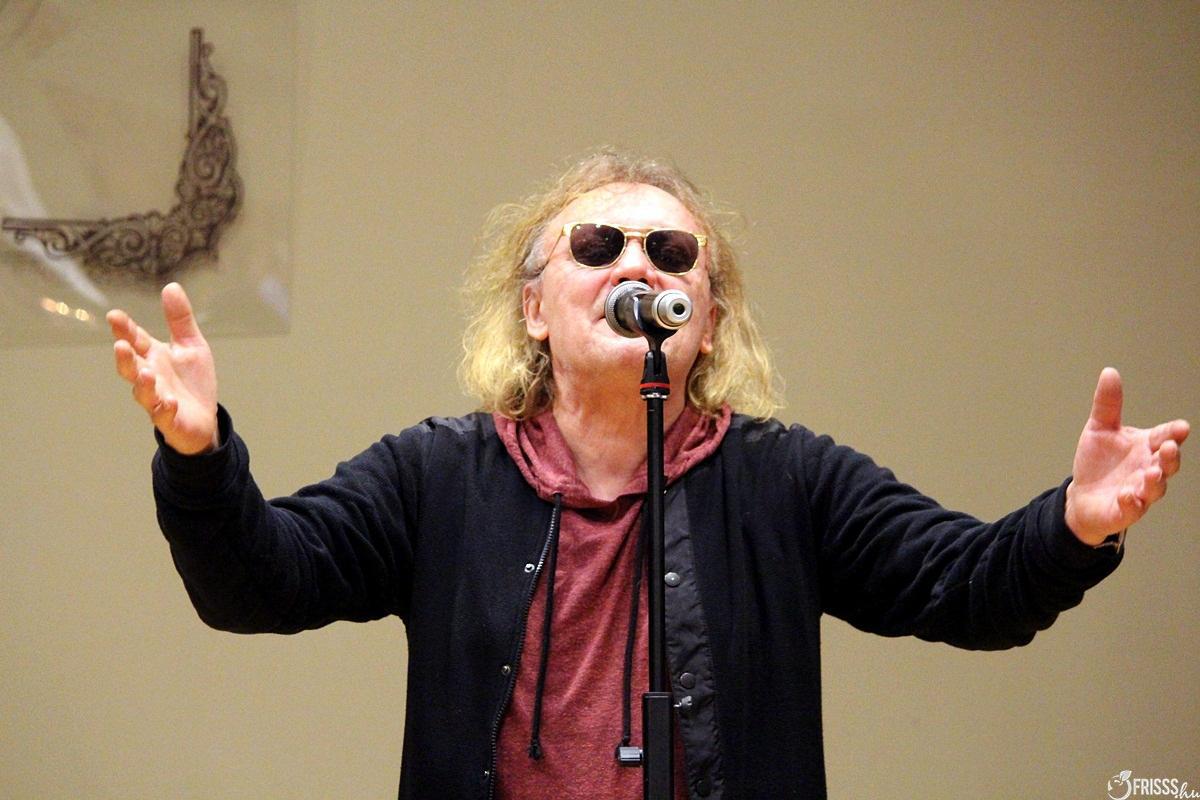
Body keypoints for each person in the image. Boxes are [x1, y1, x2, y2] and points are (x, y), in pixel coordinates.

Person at [106, 151, 1188, 800]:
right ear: (534, 305)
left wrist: (1075, 522)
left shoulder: (785, 480)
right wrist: (198, 457)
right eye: (598, 245)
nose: (636, 265)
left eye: (672, 256)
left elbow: (969, 585)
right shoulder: (437, 475)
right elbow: (260, 581)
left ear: (705, 321)